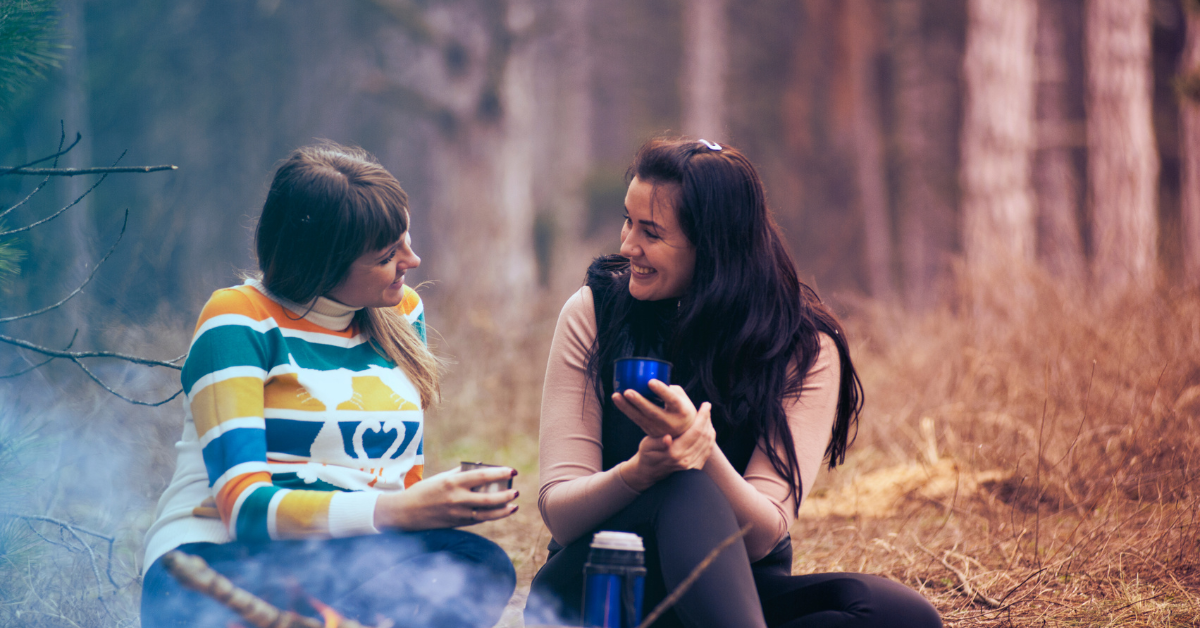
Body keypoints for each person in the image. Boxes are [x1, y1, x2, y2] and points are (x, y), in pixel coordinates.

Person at [525, 138, 942, 628]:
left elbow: (764, 533)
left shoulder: (803, 347)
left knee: (901, 615)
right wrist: (638, 472)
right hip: (600, 588)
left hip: (732, 592)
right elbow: (561, 512)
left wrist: (703, 454)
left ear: (714, 247)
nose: (626, 245)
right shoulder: (595, 313)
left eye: (651, 233)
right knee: (682, 491)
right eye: (627, 220)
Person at [141, 142, 518, 628]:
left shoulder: (400, 314)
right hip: (220, 562)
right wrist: (403, 510)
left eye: (406, 238)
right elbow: (247, 512)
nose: (413, 260)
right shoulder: (239, 320)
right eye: (387, 254)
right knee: (287, 599)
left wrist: (440, 507)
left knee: (478, 565)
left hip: (347, 561)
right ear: (322, 264)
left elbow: (398, 476)